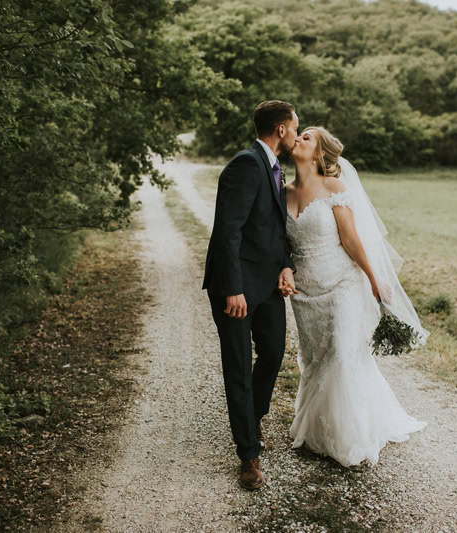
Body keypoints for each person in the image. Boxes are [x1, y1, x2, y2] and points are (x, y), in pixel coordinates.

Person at [285, 126, 429, 467]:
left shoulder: (334, 187)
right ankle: (318, 430)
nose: (298, 138)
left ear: (319, 153)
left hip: (342, 286)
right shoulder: (284, 192)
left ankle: (347, 437)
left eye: (307, 137)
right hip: (305, 293)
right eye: (299, 134)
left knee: (340, 354)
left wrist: (375, 279)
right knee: (317, 357)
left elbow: (351, 241)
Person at [202, 100, 299, 489]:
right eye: (295, 127)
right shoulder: (245, 164)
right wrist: (233, 289)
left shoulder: (275, 168)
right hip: (238, 288)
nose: (296, 133)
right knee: (240, 366)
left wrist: (285, 264)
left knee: (274, 352)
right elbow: (228, 231)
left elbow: (273, 228)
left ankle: (252, 418)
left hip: (268, 284)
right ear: (280, 130)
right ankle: (248, 455)